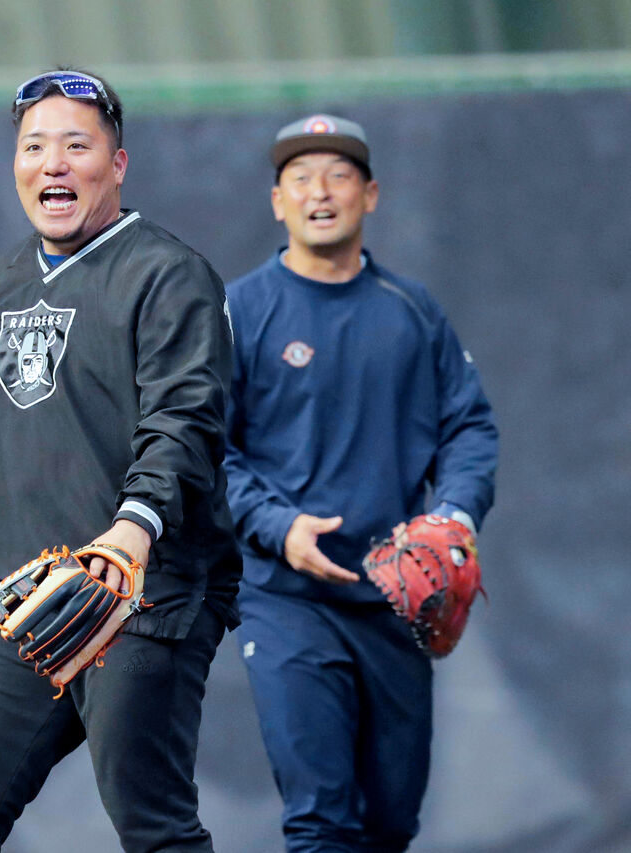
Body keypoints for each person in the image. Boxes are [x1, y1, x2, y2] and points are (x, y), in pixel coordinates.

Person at [0, 69, 242, 853]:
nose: (52, 163)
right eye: (34, 146)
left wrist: (133, 529)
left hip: (141, 588)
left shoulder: (169, 274)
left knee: (151, 821)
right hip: (27, 599)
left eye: (76, 145)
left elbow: (187, 421)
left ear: (118, 164)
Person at [222, 113, 498, 851]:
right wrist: (280, 527)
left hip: (395, 602)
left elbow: (469, 427)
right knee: (321, 818)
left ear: (370, 194)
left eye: (339, 175)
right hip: (286, 602)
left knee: (390, 821)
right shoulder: (241, 312)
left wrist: (456, 517)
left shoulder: (411, 312)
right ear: (276, 201)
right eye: (301, 178)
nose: (321, 192)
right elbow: (202, 451)